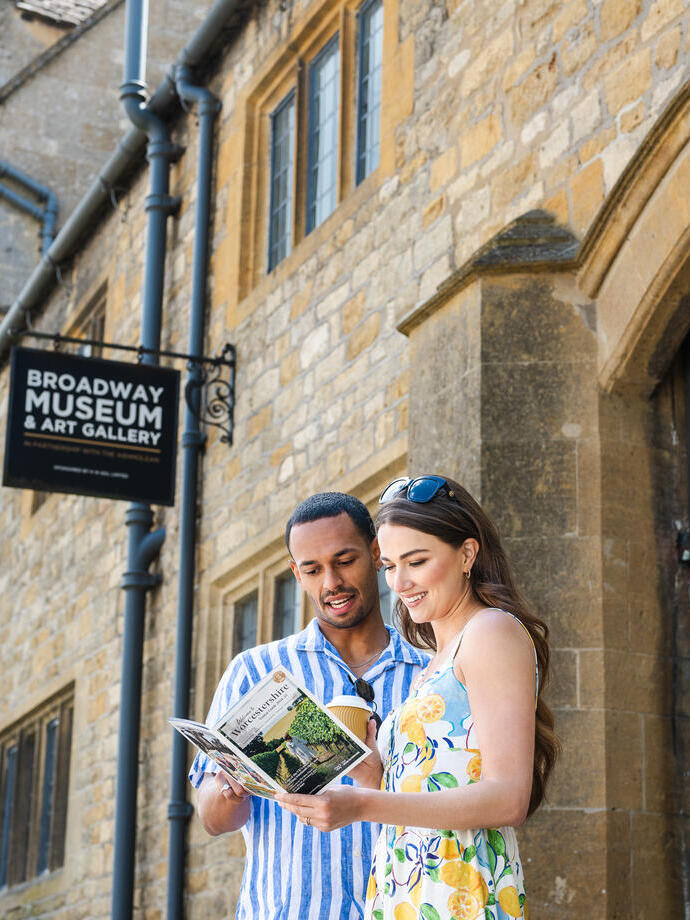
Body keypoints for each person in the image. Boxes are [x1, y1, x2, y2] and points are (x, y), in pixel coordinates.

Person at [276, 476, 559, 920]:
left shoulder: (491, 632)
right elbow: (437, 784)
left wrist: (363, 804)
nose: (400, 582)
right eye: (389, 565)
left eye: (417, 561)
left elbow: (508, 798)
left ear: (467, 554)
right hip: (407, 890)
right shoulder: (435, 659)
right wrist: (373, 775)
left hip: (457, 892)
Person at [189, 491, 429, 920]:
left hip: (406, 907)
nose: (330, 582)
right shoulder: (254, 671)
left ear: (376, 553)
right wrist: (231, 788)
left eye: (344, 560)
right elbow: (212, 817)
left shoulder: (429, 673)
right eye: (313, 569)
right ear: (295, 573)